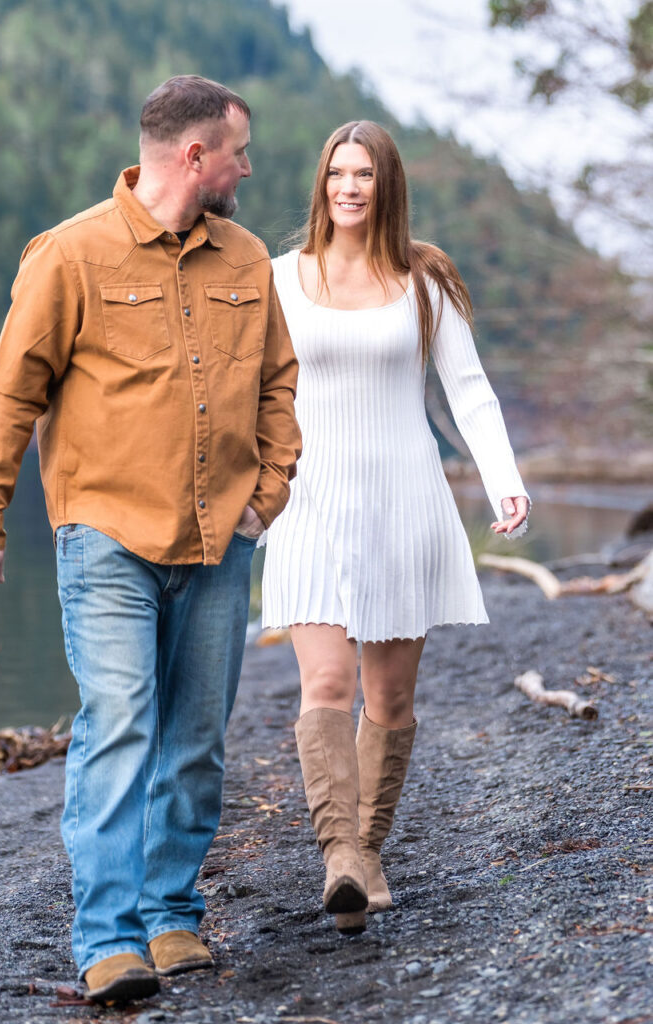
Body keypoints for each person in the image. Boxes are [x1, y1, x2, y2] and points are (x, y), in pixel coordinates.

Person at [0, 75, 301, 1002]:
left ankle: (172, 917)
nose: (247, 166)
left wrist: (265, 496)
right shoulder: (69, 256)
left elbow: (278, 386)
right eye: (239, 149)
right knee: (119, 728)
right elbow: (11, 395)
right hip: (107, 538)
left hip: (220, 540)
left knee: (195, 740)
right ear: (195, 156)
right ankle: (107, 938)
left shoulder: (246, 259)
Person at [261, 120, 529, 935]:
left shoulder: (423, 281)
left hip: (404, 500)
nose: (347, 187)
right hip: (308, 503)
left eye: (363, 174)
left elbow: (468, 391)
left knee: (390, 697)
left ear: (387, 187)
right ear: (320, 183)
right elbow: (246, 393)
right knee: (326, 686)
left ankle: (365, 852)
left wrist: (503, 478)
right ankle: (339, 854)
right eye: (336, 172)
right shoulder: (277, 277)